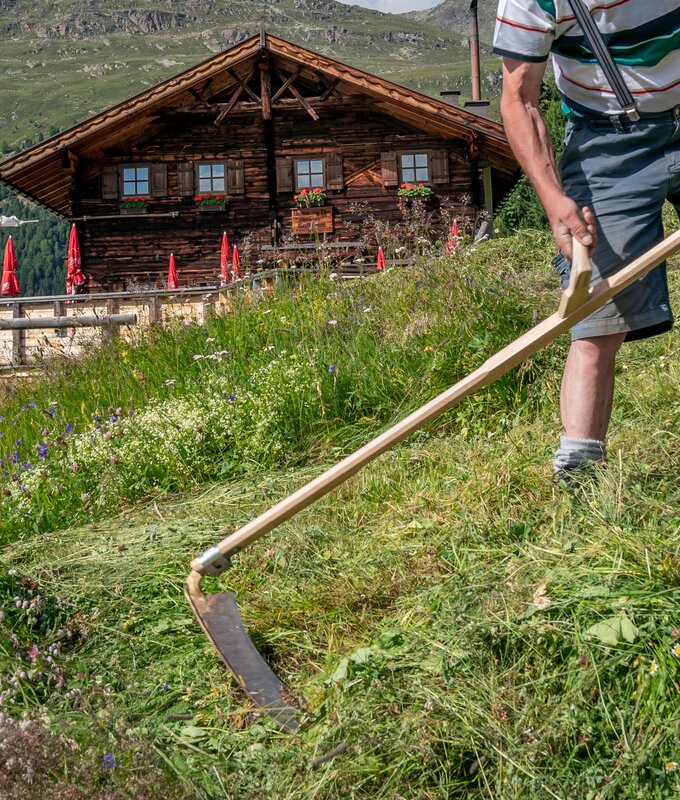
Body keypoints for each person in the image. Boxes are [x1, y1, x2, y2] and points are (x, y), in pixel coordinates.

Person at [492, 0, 680, 480]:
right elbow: (520, 100)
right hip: (607, 144)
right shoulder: (531, 2)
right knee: (597, 308)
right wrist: (554, 199)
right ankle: (580, 468)